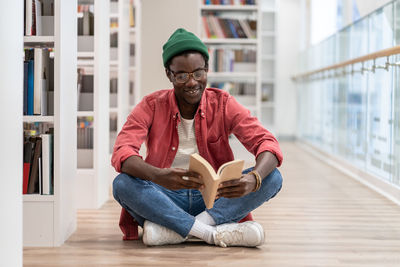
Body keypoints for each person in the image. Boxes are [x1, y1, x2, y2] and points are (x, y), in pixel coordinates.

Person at [112, 28, 283, 247]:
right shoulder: (151, 105)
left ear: (207, 70)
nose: (192, 82)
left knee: (272, 177)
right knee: (122, 184)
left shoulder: (222, 103)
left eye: (198, 73)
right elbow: (122, 151)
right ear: (169, 75)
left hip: (216, 199)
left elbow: (265, 142)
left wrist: (254, 178)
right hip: (165, 197)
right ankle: (211, 233)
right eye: (182, 76)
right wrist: (158, 176)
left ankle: (180, 230)